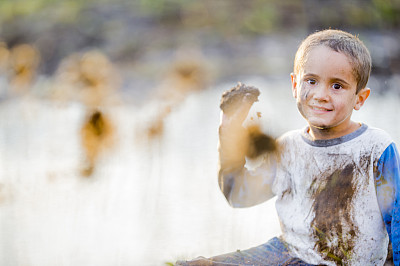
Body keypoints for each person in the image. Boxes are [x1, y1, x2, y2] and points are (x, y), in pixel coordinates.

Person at [176, 29, 400, 265]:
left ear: (360, 98)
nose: (321, 95)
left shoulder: (376, 148)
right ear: (295, 84)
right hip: (287, 254)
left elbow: (396, 220)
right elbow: (238, 194)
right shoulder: (286, 147)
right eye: (311, 81)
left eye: (337, 86)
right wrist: (230, 130)